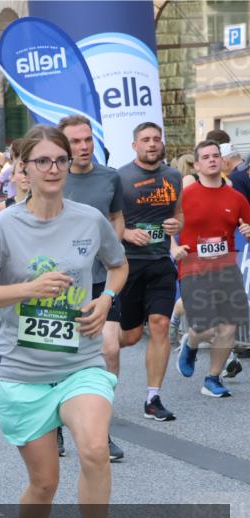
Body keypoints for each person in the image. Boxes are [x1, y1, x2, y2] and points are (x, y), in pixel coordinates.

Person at [0, 124, 129, 518]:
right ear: (24, 169)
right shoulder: (4, 225)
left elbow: (117, 265)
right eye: (43, 161)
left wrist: (106, 299)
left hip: (81, 362)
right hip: (22, 370)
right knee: (44, 483)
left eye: (60, 159)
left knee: (95, 450)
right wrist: (26, 291)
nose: (54, 168)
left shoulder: (89, 219)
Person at [59, 114, 127, 461]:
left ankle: (101, 429)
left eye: (87, 140)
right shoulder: (54, 177)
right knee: (62, 353)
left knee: (110, 350)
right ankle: (53, 423)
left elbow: (117, 218)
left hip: (101, 277)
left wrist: (109, 247)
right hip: (63, 283)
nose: (83, 147)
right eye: (75, 141)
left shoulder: (109, 177)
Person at [113, 122, 184, 421]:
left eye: (156, 139)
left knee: (159, 324)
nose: (152, 144)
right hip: (128, 264)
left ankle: (152, 398)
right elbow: (107, 220)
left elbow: (178, 213)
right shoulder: (120, 177)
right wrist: (126, 233)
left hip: (159, 264)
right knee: (127, 337)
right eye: (145, 140)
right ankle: (92, 353)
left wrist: (176, 225)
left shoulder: (173, 176)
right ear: (134, 146)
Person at [175, 140, 250, 397]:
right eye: (205, 157)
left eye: (216, 155)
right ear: (197, 164)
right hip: (193, 267)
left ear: (223, 161)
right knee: (205, 327)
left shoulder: (237, 198)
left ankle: (212, 378)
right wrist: (173, 249)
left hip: (227, 268)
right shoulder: (185, 196)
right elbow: (166, 227)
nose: (212, 160)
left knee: (229, 326)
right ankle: (191, 343)